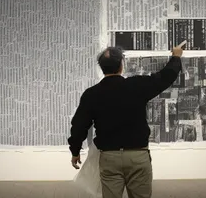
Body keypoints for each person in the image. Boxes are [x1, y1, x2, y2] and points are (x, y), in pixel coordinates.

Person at [68, 45, 183, 198]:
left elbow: (79, 126)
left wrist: (75, 151)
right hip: (138, 156)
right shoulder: (137, 85)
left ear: (102, 68)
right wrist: (176, 57)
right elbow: (165, 77)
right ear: (121, 66)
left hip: (109, 157)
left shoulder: (91, 94)